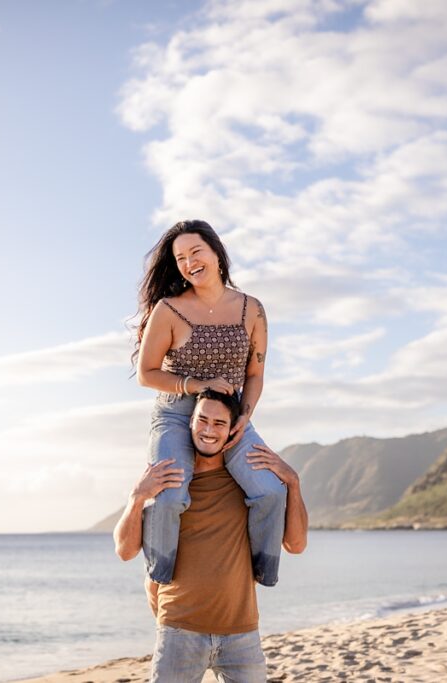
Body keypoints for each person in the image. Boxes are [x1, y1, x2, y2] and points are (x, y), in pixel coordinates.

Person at [114, 390, 309, 682]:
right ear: (188, 423)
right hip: (180, 631)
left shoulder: (250, 487)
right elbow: (125, 551)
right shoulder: (168, 482)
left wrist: (293, 483)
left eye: (219, 423)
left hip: (241, 635)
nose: (208, 430)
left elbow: (296, 545)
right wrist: (137, 497)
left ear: (234, 429)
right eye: (201, 420)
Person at [134, 219, 286, 587]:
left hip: (228, 415)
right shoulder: (169, 310)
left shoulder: (252, 309)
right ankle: (161, 581)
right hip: (175, 413)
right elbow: (147, 373)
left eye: (196, 251)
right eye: (180, 257)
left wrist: (243, 417)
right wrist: (196, 384)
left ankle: (257, 575)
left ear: (217, 252)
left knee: (271, 490)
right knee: (168, 498)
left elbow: (255, 375)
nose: (189, 262)